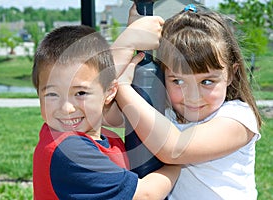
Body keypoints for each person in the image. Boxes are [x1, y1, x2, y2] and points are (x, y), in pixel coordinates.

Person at [112, 4, 262, 200]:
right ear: (162, 75)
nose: (192, 96)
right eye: (178, 81)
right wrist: (131, 41)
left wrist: (122, 87)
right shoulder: (164, 110)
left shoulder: (238, 119)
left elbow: (175, 149)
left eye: (207, 81)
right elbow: (103, 112)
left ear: (231, 74)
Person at [32, 20, 180, 199]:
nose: (66, 108)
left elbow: (118, 101)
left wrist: (132, 33)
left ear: (109, 93)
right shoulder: (68, 150)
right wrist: (176, 163)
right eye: (52, 95)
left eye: (80, 93)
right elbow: (145, 195)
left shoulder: (110, 140)